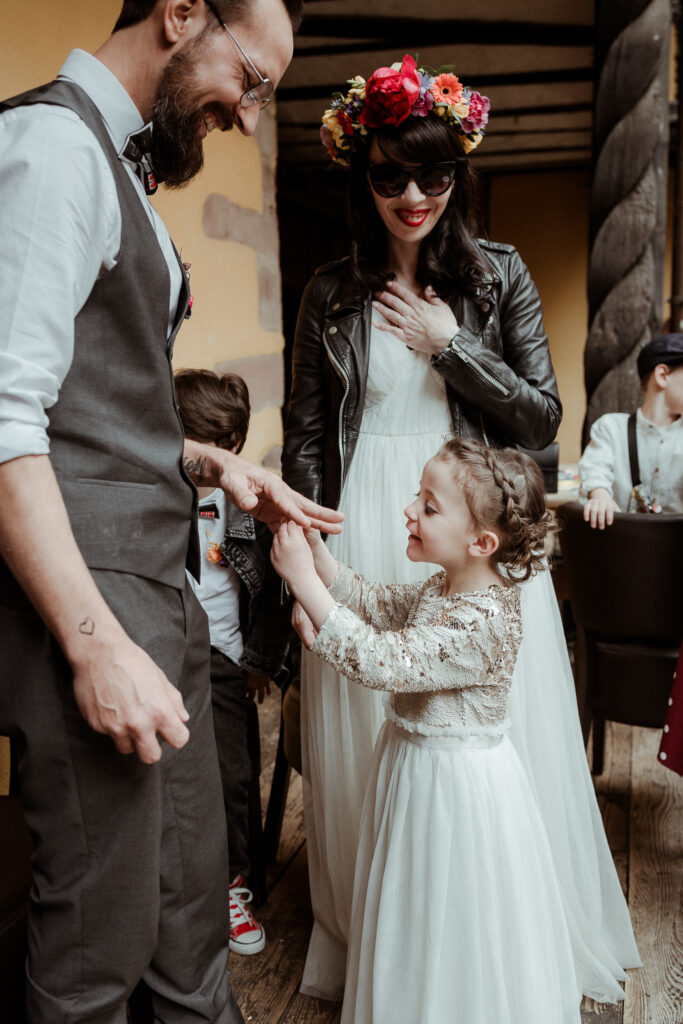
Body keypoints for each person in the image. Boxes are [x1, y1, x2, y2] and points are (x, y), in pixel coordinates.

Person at [0, 2, 344, 1022]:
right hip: (93, 609)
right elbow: (7, 416)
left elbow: (87, 401)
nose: (246, 115)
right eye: (252, 79)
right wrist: (92, 642)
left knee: (189, 915)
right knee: (95, 944)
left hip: (161, 600)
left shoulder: (118, 167)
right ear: (182, 13)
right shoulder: (51, 149)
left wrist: (207, 461)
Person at [281, 54, 640, 1002]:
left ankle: (486, 936)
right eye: (391, 175)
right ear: (362, 177)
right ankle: (380, 944)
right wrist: (303, 571)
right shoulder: (328, 291)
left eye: (435, 176)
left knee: (482, 734)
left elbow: (540, 419)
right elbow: (307, 438)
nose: (413, 194)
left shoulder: (500, 274)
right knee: (364, 729)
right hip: (364, 522)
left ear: (459, 175)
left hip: (462, 518)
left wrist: (454, 346)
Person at [271, 440, 595, 1024]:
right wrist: (316, 555)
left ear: (481, 543)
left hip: (457, 790)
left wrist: (304, 585)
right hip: (411, 767)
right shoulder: (441, 588)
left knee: (456, 907)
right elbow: (370, 601)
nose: (409, 511)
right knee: (413, 902)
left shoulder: (485, 618)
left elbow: (385, 661)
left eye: (429, 505)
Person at [175, 368, 291, 956]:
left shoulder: (244, 511)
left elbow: (268, 595)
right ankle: (180, 884)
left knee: (232, 776)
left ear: (232, 451)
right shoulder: (157, 498)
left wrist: (259, 663)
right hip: (167, 650)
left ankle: (231, 884)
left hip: (223, 655)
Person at [579, 333, 683, 528]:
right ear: (662, 376)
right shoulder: (610, 428)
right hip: (624, 545)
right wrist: (600, 495)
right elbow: (595, 471)